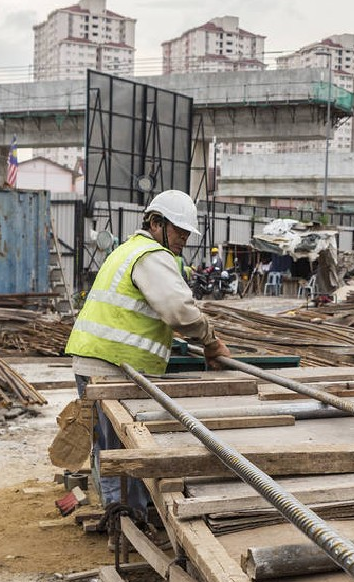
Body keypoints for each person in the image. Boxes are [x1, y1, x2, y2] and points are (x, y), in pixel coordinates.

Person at [65, 190, 232, 516]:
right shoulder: (152, 255)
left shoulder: (125, 251)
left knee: (109, 445)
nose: (183, 241)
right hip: (113, 367)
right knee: (125, 448)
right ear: (156, 223)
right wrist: (211, 342)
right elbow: (178, 311)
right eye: (179, 233)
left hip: (93, 361)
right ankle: (129, 518)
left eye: (186, 235)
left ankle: (123, 513)